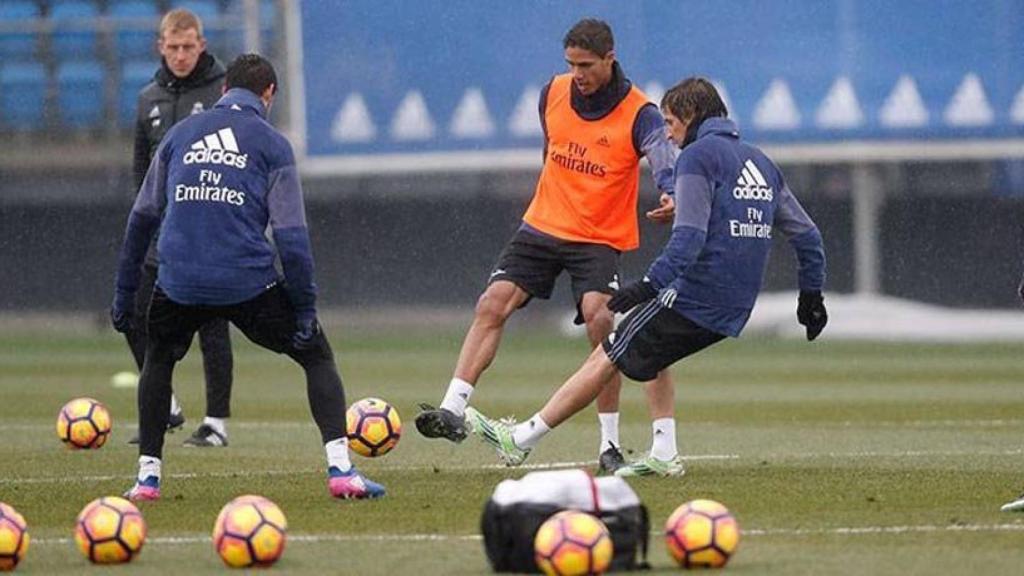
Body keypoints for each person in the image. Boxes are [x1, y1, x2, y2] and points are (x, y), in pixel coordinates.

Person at [461, 77, 829, 476]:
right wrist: (811, 295)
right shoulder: (762, 163)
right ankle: (665, 452)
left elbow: (689, 237)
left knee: (608, 353)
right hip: (736, 302)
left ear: (690, 115)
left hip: (696, 296)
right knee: (651, 352)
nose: (668, 135)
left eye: (670, 122)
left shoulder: (697, 157)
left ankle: (520, 440)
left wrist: (649, 285)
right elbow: (808, 235)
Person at [111, 54, 385, 501]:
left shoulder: (179, 136)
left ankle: (148, 478)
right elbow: (292, 236)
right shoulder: (272, 145)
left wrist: (123, 294)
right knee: (316, 357)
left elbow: (140, 220)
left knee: (159, 361)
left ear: (223, 92)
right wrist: (304, 309)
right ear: (269, 95)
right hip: (247, 282)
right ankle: (341, 472)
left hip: (178, 280)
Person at [415, 18, 678, 474]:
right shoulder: (551, 93)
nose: (578, 73)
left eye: (587, 64)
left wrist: (671, 186)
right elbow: (551, 150)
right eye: (571, 64)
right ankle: (453, 408)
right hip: (543, 225)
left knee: (601, 319)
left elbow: (660, 151)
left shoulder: (641, 113)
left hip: (597, 237)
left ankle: (609, 444)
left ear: (610, 59)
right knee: (492, 303)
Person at [124, 8, 234, 448]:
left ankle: (216, 423)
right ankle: (165, 405)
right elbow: (141, 166)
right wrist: (145, 218)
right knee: (134, 315)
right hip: (164, 232)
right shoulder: (149, 97)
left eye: (189, 47)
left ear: (201, 46)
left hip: (209, 229)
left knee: (212, 324)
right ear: (161, 47)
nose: (182, 55)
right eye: (174, 47)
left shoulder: (222, 92)